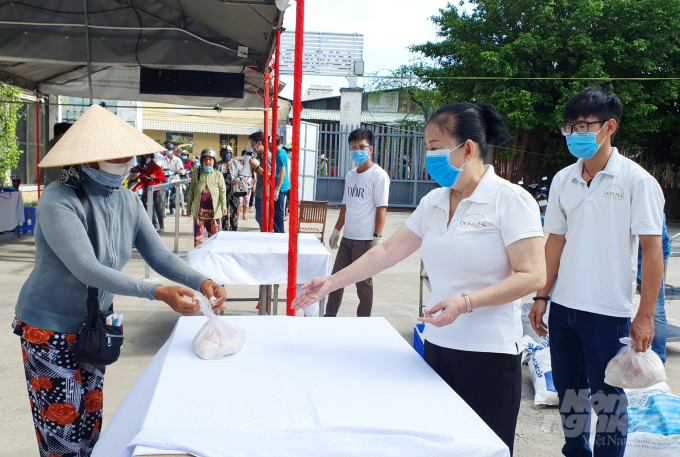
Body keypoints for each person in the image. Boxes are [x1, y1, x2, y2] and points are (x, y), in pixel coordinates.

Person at [293, 103, 546, 455]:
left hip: (489, 355)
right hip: (437, 347)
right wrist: (332, 281)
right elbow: (386, 252)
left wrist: (466, 302)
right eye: (427, 147)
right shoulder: (433, 202)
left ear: (468, 148)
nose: (428, 156)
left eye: (434, 147)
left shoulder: (511, 200)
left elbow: (533, 275)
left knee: (485, 448)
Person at [13, 104, 227, 457]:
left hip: (96, 325)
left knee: (90, 421)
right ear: (88, 159)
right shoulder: (58, 199)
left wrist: (202, 280)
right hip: (48, 328)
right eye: (117, 158)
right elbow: (87, 268)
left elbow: (159, 255)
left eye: (129, 157)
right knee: (61, 429)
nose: (126, 165)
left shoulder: (128, 200)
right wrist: (156, 291)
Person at [529, 87, 665, 457]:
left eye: (583, 126)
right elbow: (554, 242)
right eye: (569, 127)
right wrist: (542, 296)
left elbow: (653, 251)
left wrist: (646, 316)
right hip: (564, 309)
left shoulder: (637, 181)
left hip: (608, 312)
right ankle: (575, 451)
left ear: (609, 127)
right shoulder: (563, 179)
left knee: (609, 398)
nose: (575, 134)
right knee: (571, 393)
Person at [325, 128, 390, 317]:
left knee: (363, 284)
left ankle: (363, 321)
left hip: (364, 239)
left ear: (370, 149)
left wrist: (377, 238)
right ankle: (329, 317)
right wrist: (337, 230)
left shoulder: (379, 175)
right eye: (353, 147)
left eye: (361, 146)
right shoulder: (351, 175)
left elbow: (381, 208)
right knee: (336, 280)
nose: (357, 150)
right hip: (347, 238)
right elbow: (346, 204)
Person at [637, 213, 671, 364]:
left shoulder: (650, 204)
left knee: (655, 312)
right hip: (629, 261)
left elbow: (659, 246)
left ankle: (657, 360)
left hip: (649, 261)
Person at [186, 148, 227, 247]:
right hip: (199, 212)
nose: (208, 162)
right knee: (198, 238)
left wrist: (223, 206)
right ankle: (198, 256)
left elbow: (222, 192)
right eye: (205, 159)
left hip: (214, 212)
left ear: (214, 161)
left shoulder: (218, 175)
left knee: (214, 238)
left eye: (210, 159)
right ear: (201, 161)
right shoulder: (196, 173)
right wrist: (188, 208)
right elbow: (191, 191)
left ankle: (212, 257)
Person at [130, 154, 166, 231]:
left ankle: (161, 225)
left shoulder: (156, 167)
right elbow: (135, 171)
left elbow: (163, 177)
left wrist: (155, 177)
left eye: (147, 157)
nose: (145, 158)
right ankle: (154, 225)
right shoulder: (142, 167)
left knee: (158, 208)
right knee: (150, 208)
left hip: (156, 190)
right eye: (145, 157)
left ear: (151, 157)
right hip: (147, 190)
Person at [248, 131, 273, 231]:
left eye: (252, 143)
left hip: (265, 194)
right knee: (259, 218)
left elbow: (270, 175)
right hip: (259, 192)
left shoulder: (268, 156)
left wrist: (257, 166)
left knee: (263, 222)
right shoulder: (260, 156)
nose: (252, 146)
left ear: (259, 143)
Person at [216, 146, 242, 231]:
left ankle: (234, 229)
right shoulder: (218, 164)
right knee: (224, 211)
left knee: (234, 212)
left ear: (231, 154)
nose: (225, 155)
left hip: (234, 191)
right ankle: (225, 229)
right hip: (222, 192)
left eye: (227, 153)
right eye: (223, 153)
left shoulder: (236, 163)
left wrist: (238, 179)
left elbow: (242, 174)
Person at [273, 138, 291, 233]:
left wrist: (277, 188)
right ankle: (277, 230)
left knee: (279, 211)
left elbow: (282, 172)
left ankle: (280, 231)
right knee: (276, 210)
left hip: (281, 187)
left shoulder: (280, 155)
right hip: (280, 186)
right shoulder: (279, 154)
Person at [238, 149, 255, 221]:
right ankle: (238, 215)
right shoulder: (239, 163)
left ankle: (244, 215)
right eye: (246, 154)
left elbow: (254, 174)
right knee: (239, 201)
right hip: (240, 184)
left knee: (246, 200)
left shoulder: (252, 163)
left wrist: (254, 185)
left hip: (248, 184)